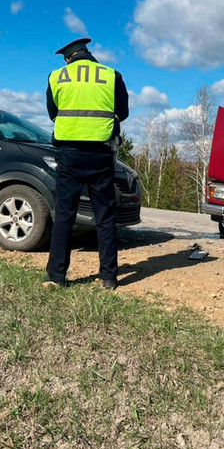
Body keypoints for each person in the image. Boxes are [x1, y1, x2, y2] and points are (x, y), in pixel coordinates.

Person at [44, 37, 130, 290]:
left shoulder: (57, 76)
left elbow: (53, 113)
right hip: (100, 153)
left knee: (65, 216)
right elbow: (122, 112)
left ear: (68, 57)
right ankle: (109, 277)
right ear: (89, 54)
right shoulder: (112, 74)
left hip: (69, 153)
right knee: (104, 216)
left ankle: (57, 276)